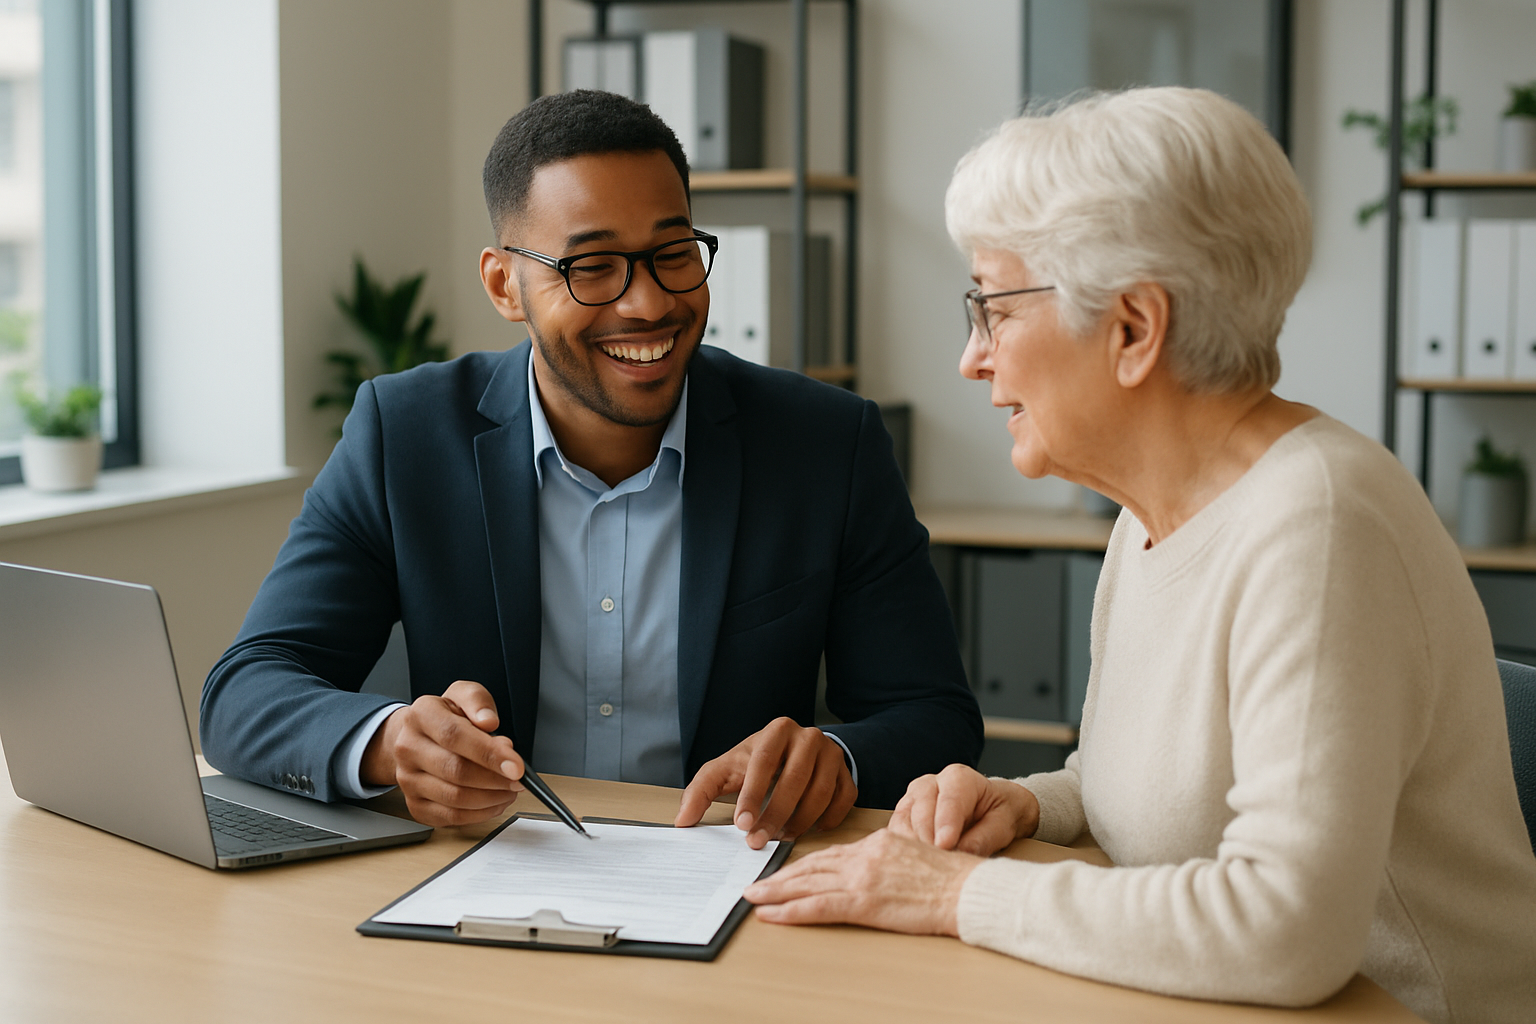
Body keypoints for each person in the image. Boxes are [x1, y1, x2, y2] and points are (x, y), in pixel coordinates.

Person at [744, 87, 1536, 1022]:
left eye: (994, 308)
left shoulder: (1320, 525)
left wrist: (952, 895)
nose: (973, 357)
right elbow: (1136, 788)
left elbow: (1287, 929)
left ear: (1132, 329)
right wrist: (1030, 804)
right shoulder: (1153, 509)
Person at [200, 90, 982, 846]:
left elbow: (932, 715)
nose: (647, 304)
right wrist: (388, 742)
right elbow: (247, 691)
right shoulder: (402, 434)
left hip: (728, 879)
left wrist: (838, 760)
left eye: (673, 254)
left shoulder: (823, 444)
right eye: (593, 267)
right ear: (506, 285)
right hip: (487, 877)